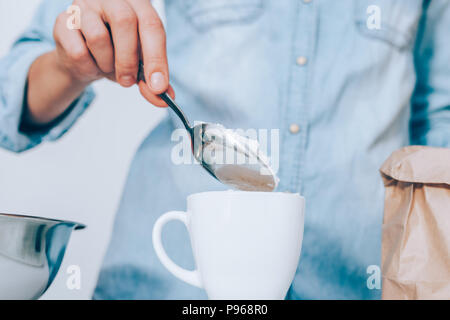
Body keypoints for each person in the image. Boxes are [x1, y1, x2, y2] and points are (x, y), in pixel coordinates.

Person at [0, 0, 449, 299]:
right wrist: (70, 63)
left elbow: (439, 116)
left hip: (351, 284)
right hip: (166, 290)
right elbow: (13, 101)